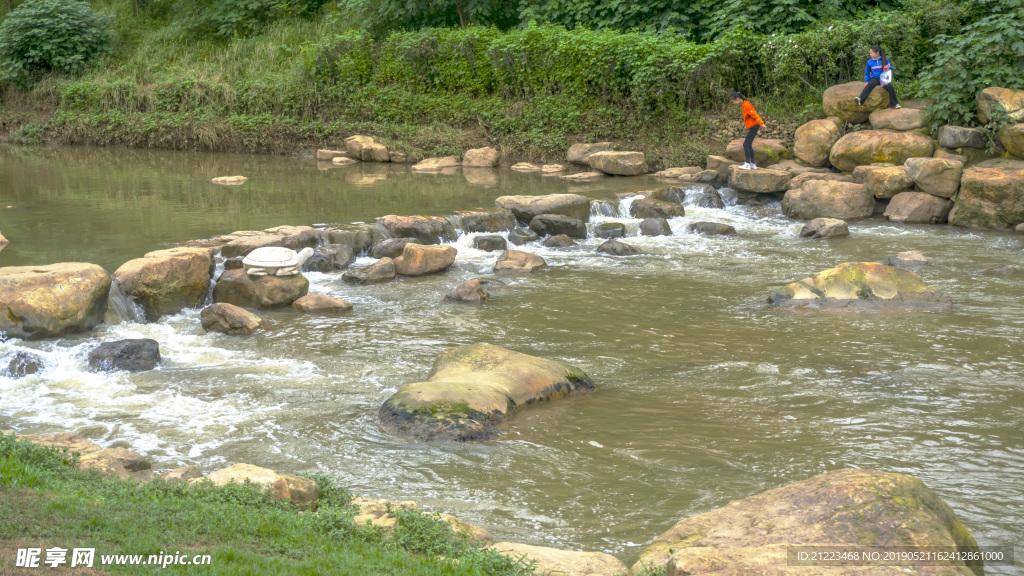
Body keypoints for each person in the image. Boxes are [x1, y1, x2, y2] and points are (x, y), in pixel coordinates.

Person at [731, 92, 764, 170]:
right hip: (753, 126)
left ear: (737, 99)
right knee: (748, 145)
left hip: (754, 126)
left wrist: (761, 123)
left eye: (733, 101)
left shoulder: (746, 105)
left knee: (745, 144)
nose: (733, 103)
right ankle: (753, 164)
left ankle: (747, 164)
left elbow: (754, 114)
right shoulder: (744, 104)